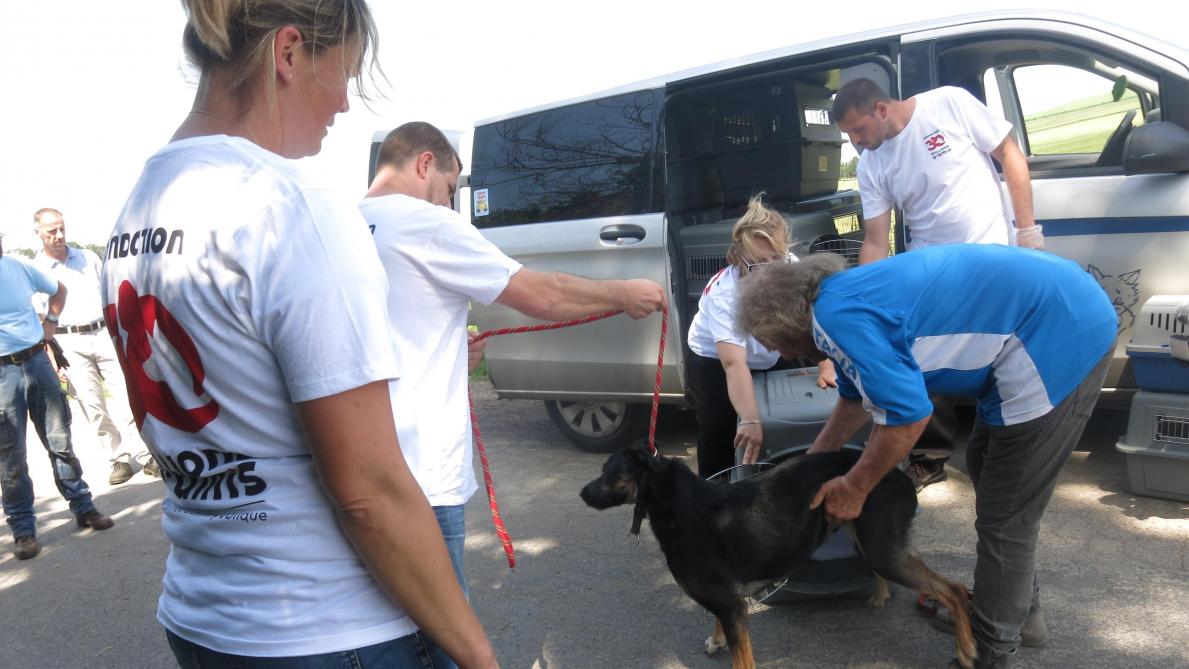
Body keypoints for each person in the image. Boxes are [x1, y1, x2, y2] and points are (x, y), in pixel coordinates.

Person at [100, 3, 497, 667]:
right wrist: (478, 656)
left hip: (203, 615)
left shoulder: (135, 209)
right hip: (326, 626)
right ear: (287, 54)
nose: (344, 103)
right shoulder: (288, 205)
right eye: (342, 73)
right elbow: (368, 491)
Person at [735, 244, 1117, 669]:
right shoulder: (833, 303)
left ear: (786, 323)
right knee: (990, 474)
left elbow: (908, 417)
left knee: (1007, 516)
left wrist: (855, 486)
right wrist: (805, 470)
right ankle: (1017, 613)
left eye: (774, 343)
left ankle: (990, 651)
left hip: (1059, 333)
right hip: (1043, 313)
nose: (784, 356)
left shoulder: (838, 322)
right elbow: (853, 400)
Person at [360, 121, 667, 615]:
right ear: (423, 164)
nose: (446, 202)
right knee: (440, 620)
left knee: (382, 612)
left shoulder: (342, 226)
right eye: (448, 187)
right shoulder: (427, 224)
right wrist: (621, 293)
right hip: (420, 470)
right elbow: (540, 295)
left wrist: (450, 353)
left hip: (355, 465)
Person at [832, 77, 1043, 490]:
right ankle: (930, 457)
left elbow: (1009, 154)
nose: (856, 141)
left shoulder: (948, 103)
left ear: (881, 109)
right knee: (925, 355)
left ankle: (1008, 445)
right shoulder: (871, 165)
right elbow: (876, 239)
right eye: (848, 135)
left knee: (1004, 351)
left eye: (858, 129)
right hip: (933, 271)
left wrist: (1027, 232)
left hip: (993, 256)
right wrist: (861, 294)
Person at [684, 195, 835, 477]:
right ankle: (713, 495)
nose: (768, 273)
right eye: (757, 264)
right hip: (715, 360)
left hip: (772, 348)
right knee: (720, 430)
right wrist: (750, 419)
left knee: (786, 418)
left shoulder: (790, 264)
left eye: (775, 261)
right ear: (737, 258)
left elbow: (812, 316)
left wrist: (825, 362)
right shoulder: (724, 296)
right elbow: (734, 365)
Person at [1, 231, 114, 561]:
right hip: (2, 375)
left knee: (60, 441)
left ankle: (84, 508)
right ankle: (23, 530)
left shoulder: (18, 266)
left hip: (37, 361)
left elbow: (58, 290)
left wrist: (50, 324)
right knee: (11, 458)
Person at [32, 208, 155, 485]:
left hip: (102, 332)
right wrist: (50, 354)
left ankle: (147, 454)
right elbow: (40, 317)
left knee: (126, 395)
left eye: (62, 228)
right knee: (92, 403)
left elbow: (108, 293)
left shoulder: (87, 258)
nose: (59, 235)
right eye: (51, 230)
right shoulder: (36, 270)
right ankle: (118, 459)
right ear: (37, 233)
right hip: (69, 341)